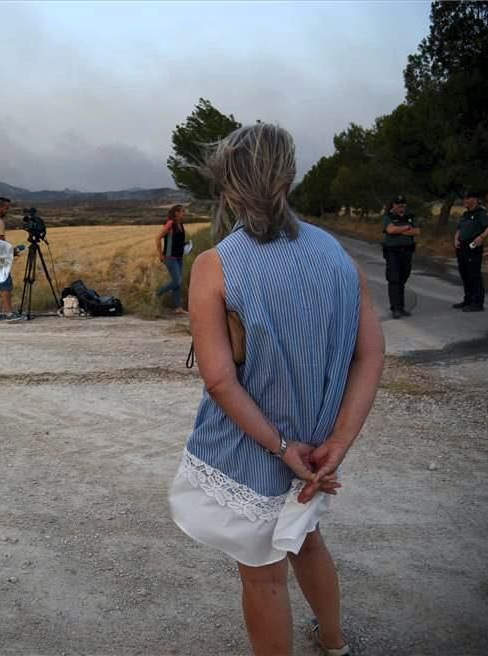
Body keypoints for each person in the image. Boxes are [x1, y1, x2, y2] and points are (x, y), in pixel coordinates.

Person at [168, 124, 384, 656]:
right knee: (307, 542)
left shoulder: (215, 265)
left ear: (226, 183)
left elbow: (219, 380)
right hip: (317, 449)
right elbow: (371, 355)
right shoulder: (337, 254)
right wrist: (337, 445)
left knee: (262, 575)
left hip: (255, 450)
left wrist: (283, 450)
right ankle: (333, 642)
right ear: (289, 174)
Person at [453, 190, 488, 312]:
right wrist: (456, 239)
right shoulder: (465, 214)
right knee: (465, 274)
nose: (464, 201)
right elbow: (459, 228)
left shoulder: (481, 213)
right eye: (464, 198)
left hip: (473, 247)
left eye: (467, 198)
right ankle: (468, 300)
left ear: (475, 199)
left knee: (474, 275)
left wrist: (482, 237)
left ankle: (477, 303)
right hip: (461, 247)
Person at [381, 195, 419, 319]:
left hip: (407, 252)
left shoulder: (410, 217)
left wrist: (400, 230)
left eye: (403, 205)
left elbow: (417, 231)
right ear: (393, 205)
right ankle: (395, 308)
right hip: (393, 253)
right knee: (394, 280)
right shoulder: (389, 217)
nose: (401, 207)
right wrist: (407, 227)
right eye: (398, 205)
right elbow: (390, 230)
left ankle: (401, 307)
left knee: (403, 279)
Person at [155, 204, 189, 314]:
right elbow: (158, 238)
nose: (185, 213)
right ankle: (157, 293)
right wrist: (161, 255)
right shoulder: (171, 223)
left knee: (178, 283)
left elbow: (177, 240)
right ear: (176, 213)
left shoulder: (180, 224)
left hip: (179, 257)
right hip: (170, 257)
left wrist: (186, 245)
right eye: (183, 211)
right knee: (177, 281)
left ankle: (178, 308)